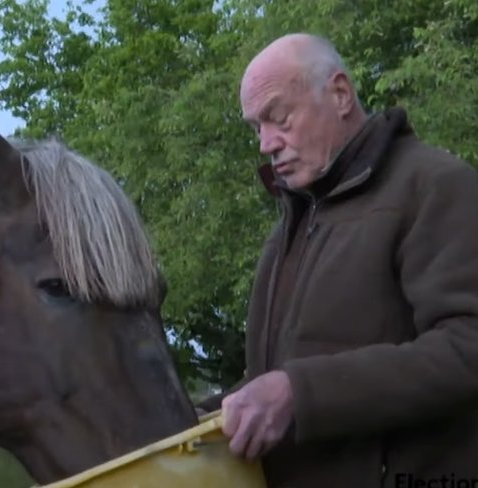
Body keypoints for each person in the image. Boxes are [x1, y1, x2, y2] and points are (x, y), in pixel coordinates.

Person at [196, 32, 478, 487]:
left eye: (278, 118)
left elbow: (468, 345)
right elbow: (273, 379)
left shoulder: (435, 186)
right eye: (256, 128)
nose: (266, 143)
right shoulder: (287, 230)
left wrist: (298, 394)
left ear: (341, 94)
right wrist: (197, 420)